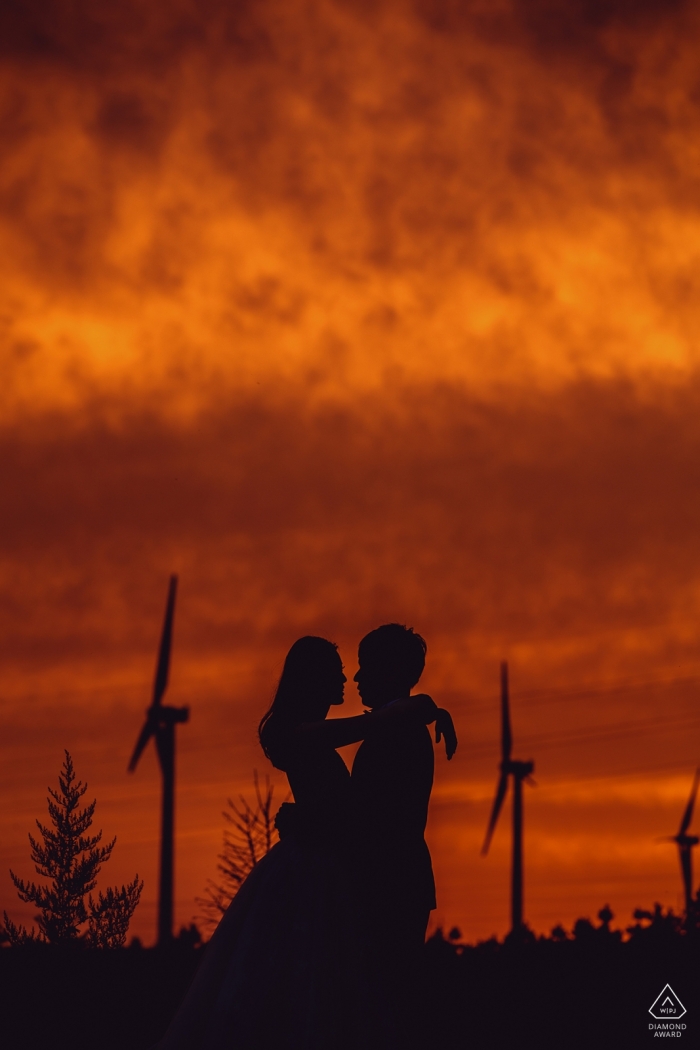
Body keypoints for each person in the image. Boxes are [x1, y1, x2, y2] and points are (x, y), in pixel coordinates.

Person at [154, 635, 452, 1050]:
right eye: (338, 669)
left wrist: (302, 817)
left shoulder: (385, 733)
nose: (350, 676)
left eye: (358, 667)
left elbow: (366, 814)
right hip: (325, 874)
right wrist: (422, 707)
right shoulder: (302, 733)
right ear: (313, 678)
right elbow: (361, 759)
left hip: (370, 878)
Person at [349, 623, 457, 1048]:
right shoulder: (400, 724)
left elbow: (376, 817)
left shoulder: (395, 731)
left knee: (386, 1005)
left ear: (391, 670)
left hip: (390, 885)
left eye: (365, 668)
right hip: (399, 881)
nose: (357, 679)